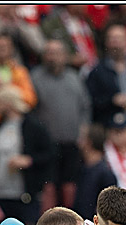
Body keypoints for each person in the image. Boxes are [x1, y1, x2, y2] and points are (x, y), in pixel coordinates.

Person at [31, 40, 91, 208]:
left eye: (57, 53)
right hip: (46, 144)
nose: (53, 57)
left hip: (72, 142)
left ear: (65, 56)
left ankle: (69, 220)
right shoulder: (35, 78)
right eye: (49, 53)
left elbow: (85, 108)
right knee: (48, 186)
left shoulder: (74, 78)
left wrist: (83, 132)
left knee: (70, 184)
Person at [0, 85, 53, 225]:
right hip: (0, 192)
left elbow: (50, 153)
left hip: (24, 193)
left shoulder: (32, 126)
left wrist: (29, 160)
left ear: (8, 103)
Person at [86, 23, 126, 130]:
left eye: (119, 38)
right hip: (110, 130)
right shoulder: (97, 71)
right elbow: (91, 101)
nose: (116, 43)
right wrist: (112, 100)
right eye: (112, 39)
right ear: (106, 43)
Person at [72, 125, 118, 221]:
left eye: (82, 138)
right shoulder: (82, 168)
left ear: (89, 142)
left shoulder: (105, 173)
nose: (79, 142)